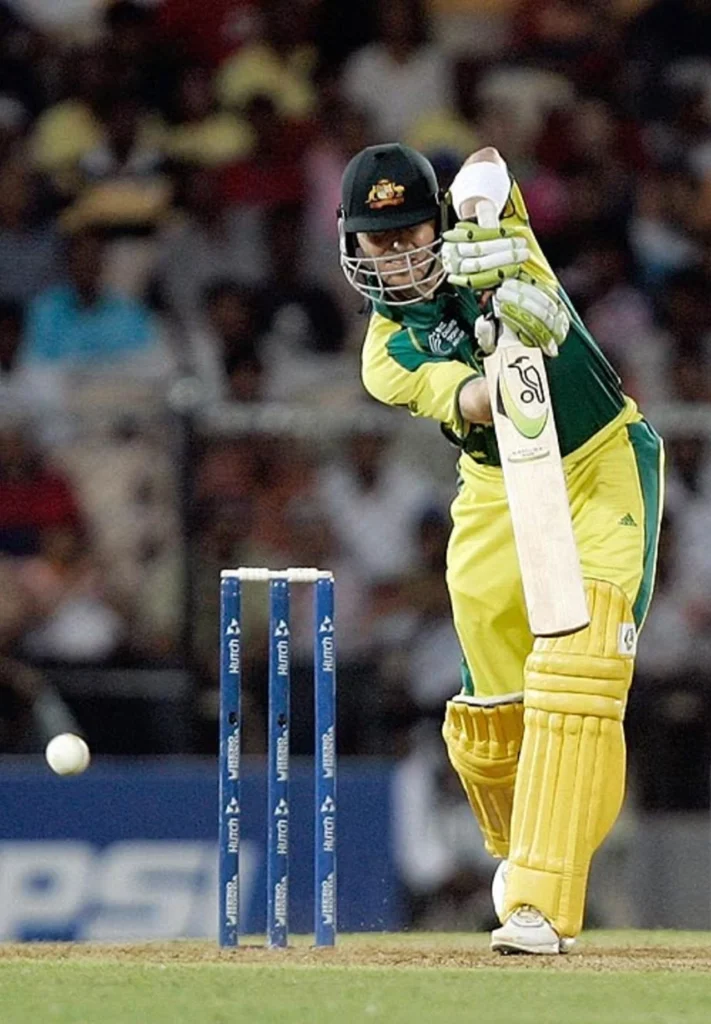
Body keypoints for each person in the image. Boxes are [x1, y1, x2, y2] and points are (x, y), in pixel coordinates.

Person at [337, 142, 663, 954]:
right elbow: (482, 403)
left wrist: (488, 216)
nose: (401, 253)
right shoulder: (386, 355)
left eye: (414, 231)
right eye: (380, 241)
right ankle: (519, 851)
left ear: (438, 221)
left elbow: (488, 164)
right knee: (492, 722)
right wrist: (502, 345)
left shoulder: (492, 237)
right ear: (353, 248)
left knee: (579, 668)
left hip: (600, 465)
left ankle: (537, 905)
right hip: (496, 489)